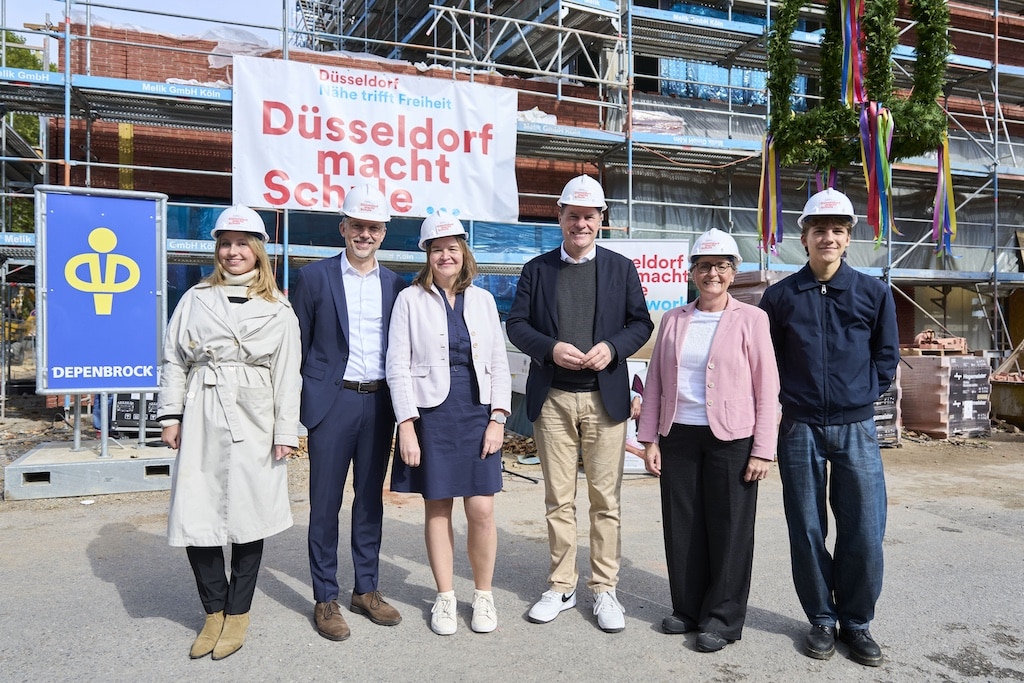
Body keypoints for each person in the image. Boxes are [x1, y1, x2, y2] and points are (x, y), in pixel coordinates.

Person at [506, 175, 654, 633]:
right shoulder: (537, 269)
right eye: (573, 215)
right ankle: (562, 584)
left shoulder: (620, 268)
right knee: (559, 499)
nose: (581, 223)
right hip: (553, 399)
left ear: (601, 220)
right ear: (560, 216)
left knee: (605, 500)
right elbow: (517, 325)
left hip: (604, 400)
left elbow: (640, 324)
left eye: (589, 216)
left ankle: (604, 588)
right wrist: (549, 348)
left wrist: (612, 348)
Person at [759, 188, 899, 667]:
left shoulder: (873, 294)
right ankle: (821, 618)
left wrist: (861, 396)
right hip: (799, 427)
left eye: (838, 230)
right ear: (805, 237)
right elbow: (767, 361)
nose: (829, 237)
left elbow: (886, 357)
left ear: (847, 238)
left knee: (863, 526)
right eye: (819, 229)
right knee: (807, 525)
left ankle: (856, 623)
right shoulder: (779, 298)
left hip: (855, 426)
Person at [156, 204, 301, 660]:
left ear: (258, 252)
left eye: (242, 244)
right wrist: (171, 415)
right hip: (203, 408)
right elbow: (174, 360)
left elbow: (287, 373)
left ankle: (239, 614)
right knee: (197, 514)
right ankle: (213, 611)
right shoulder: (194, 299)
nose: (233, 252)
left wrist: (285, 431)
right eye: (225, 244)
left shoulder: (279, 308)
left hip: (255, 415)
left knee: (248, 515)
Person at [636, 229, 780, 652]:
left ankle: (723, 618)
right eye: (704, 265)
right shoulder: (675, 319)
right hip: (678, 434)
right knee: (683, 525)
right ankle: (688, 608)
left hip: (733, 438)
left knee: (730, 528)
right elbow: (658, 381)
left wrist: (762, 450)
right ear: (692, 272)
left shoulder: (752, 319)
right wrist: (650, 439)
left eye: (721, 266)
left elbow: (766, 388)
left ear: (733, 273)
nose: (711, 273)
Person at [386, 213, 512, 636]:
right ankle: (444, 597)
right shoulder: (409, 299)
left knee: (481, 508)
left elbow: (499, 362)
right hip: (432, 415)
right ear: (427, 254)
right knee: (437, 506)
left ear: (464, 252)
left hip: (477, 413)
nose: (445, 255)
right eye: (437, 249)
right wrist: (406, 425)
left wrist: (498, 418)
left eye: (452, 247)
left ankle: (483, 596)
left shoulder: (484, 300)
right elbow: (397, 367)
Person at [291, 185, 407, 641]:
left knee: (369, 501)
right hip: (332, 401)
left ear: (383, 233)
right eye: (356, 226)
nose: (364, 234)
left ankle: (367, 590)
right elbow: (297, 345)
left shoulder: (396, 284)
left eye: (373, 227)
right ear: (343, 228)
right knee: (324, 502)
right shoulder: (315, 278)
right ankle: (325, 597)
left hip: (378, 403)